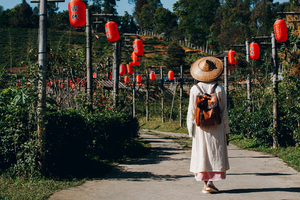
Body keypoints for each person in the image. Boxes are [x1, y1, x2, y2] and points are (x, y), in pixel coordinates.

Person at [186, 56, 230, 194]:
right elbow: (224, 112)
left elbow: (191, 112)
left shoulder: (194, 89)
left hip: (200, 127)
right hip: (216, 126)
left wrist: (190, 130)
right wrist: (226, 130)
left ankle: (206, 184)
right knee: (215, 152)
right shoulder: (219, 88)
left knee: (201, 153)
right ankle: (210, 183)